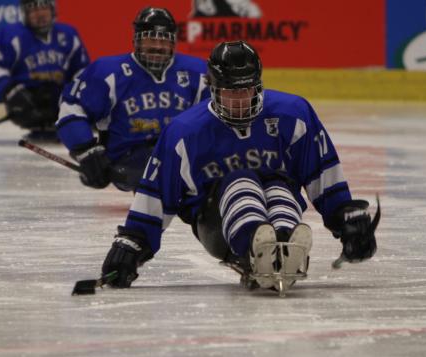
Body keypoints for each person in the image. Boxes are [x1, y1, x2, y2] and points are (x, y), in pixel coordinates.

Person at [99, 41, 378, 292]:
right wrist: (132, 244)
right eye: (231, 92)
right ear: (213, 89)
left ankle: (285, 243)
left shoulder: (294, 114)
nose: (240, 101)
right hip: (215, 223)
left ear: (258, 85)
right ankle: (252, 247)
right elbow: (157, 194)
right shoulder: (185, 132)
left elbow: (321, 172)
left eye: (246, 90)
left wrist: (345, 216)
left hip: (276, 198)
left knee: (279, 187)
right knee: (241, 181)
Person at [56, 6, 210, 191]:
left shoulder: (197, 72)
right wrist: (86, 151)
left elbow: (217, 117)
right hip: (129, 157)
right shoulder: (108, 72)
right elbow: (72, 107)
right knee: (159, 172)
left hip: (182, 154)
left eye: (164, 40)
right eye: (150, 39)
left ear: (173, 42)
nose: (157, 46)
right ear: (136, 40)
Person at [0, 0, 88, 140]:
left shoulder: (69, 35)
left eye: (44, 8)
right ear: (24, 14)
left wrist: (79, 97)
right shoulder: (11, 35)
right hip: (29, 101)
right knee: (21, 98)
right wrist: (12, 92)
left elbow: (82, 71)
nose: (40, 14)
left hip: (61, 101)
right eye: (33, 10)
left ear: (53, 10)